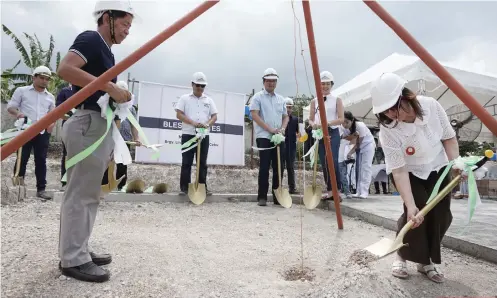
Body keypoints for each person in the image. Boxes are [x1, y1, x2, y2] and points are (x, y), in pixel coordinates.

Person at [56, 1, 137, 283]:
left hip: (97, 125)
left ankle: (78, 249)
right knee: (80, 194)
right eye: (125, 24)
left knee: (88, 194)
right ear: (107, 18)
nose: (128, 30)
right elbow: (65, 69)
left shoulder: (107, 52)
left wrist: (117, 92)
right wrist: (109, 86)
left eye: (130, 26)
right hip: (86, 124)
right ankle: (73, 259)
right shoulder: (91, 39)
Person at [371, 72, 458, 283]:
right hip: (408, 172)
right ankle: (401, 254)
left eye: (394, 107)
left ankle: (425, 261)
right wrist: (409, 204)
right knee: (416, 212)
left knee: (441, 215)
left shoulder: (432, 106)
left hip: (438, 167)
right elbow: (398, 170)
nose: (391, 114)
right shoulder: (388, 129)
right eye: (386, 111)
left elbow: (449, 138)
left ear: (407, 97)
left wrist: (456, 165)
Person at [7, 65, 56, 200]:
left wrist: (51, 125)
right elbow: (11, 107)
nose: (44, 81)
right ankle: (17, 188)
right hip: (25, 131)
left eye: (47, 79)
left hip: (42, 133)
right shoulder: (22, 91)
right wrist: (19, 114)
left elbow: (53, 113)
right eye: (41, 78)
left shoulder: (50, 97)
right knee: (22, 158)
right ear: (33, 77)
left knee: (41, 160)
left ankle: (41, 189)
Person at [250, 68, 289, 206]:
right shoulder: (258, 97)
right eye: (268, 81)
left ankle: (277, 195)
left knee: (279, 166)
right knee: (265, 166)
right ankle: (262, 197)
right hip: (264, 136)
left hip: (278, 136)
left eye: (273, 81)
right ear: (264, 81)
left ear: (276, 82)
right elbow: (254, 115)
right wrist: (269, 129)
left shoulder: (280, 99)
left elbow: (285, 116)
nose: (271, 83)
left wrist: (282, 129)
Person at [175, 72, 218, 197]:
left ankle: (202, 186)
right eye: (198, 85)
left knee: (202, 162)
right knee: (187, 162)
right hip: (188, 134)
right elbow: (179, 114)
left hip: (203, 136)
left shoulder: (209, 100)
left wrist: (207, 124)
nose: (200, 88)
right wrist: (193, 123)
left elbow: (214, 116)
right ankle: (184, 188)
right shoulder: (184, 98)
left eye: (202, 86)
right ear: (192, 84)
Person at [308, 71, 344, 200]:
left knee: (332, 160)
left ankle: (337, 190)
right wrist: (314, 125)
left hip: (332, 132)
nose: (325, 86)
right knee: (323, 162)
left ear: (331, 85)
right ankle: (329, 190)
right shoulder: (314, 101)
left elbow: (341, 119)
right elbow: (310, 119)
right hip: (319, 134)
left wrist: (327, 123)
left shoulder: (337, 99)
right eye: (322, 84)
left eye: (327, 84)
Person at [342, 111, 375, 199]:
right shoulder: (344, 128)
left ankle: (364, 191)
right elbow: (345, 140)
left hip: (368, 146)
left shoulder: (360, 125)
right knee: (358, 169)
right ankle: (359, 191)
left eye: (347, 122)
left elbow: (358, 144)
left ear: (352, 120)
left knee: (366, 167)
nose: (345, 124)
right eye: (343, 122)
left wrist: (350, 153)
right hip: (358, 148)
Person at [56, 83, 74, 190]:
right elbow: (59, 109)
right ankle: (65, 181)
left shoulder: (88, 89)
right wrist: (69, 117)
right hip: (69, 125)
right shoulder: (65, 92)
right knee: (67, 154)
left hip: (86, 125)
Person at [284, 97, 299, 194]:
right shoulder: (279, 118)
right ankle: (278, 187)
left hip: (292, 146)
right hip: (280, 145)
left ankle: (292, 187)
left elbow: (301, 132)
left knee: (290, 167)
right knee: (279, 167)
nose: (288, 110)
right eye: (286, 107)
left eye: (290, 107)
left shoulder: (296, 120)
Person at [338, 126, 352, 199]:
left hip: (341, 162)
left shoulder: (344, 141)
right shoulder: (332, 142)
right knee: (337, 178)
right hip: (335, 162)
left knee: (343, 177)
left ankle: (347, 192)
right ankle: (338, 192)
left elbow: (351, 140)